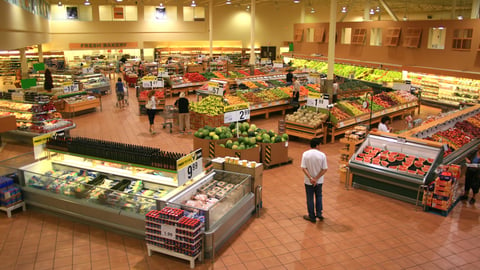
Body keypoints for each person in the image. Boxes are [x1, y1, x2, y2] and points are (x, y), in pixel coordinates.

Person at [301, 138, 328, 223]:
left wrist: (311, 178)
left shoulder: (305, 154)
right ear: (317, 145)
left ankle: (312, 216)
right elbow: (324, 169)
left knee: (310, 198)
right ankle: (319, 213)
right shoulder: (322, 155)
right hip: (319, 181)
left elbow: (303, 168)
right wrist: (316, 179)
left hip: (308, 181)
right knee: (319, 196)